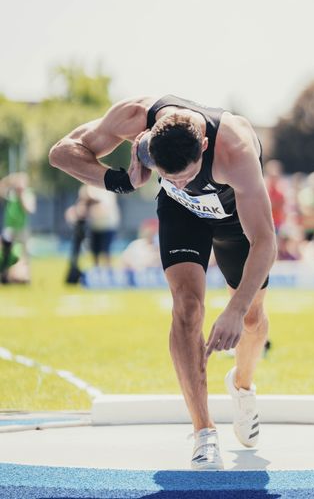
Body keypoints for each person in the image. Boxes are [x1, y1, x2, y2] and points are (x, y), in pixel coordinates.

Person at [49, 95, 277, 469]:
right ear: (149, 143)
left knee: (251, 320)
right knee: (187, 309)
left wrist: (234, 309)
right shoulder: (136, 118)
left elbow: (266, 241)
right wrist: (118, 180)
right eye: (169, 176)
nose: (183, 183)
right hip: (181, 215)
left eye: (187, 175)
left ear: (204, 146)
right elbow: (61, 153)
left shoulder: (234, 147)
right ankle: (204, 431)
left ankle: (243, 386)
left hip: (235, 219)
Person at [0, 172, 36, 284]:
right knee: (6, 253)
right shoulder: (10, 193)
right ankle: (5, 275)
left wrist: (21, 195)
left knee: (24, 253)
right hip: (9, 228)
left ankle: (25, 277)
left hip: (22, 229)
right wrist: (10, 180)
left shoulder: (28, 194)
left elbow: (29, 209)